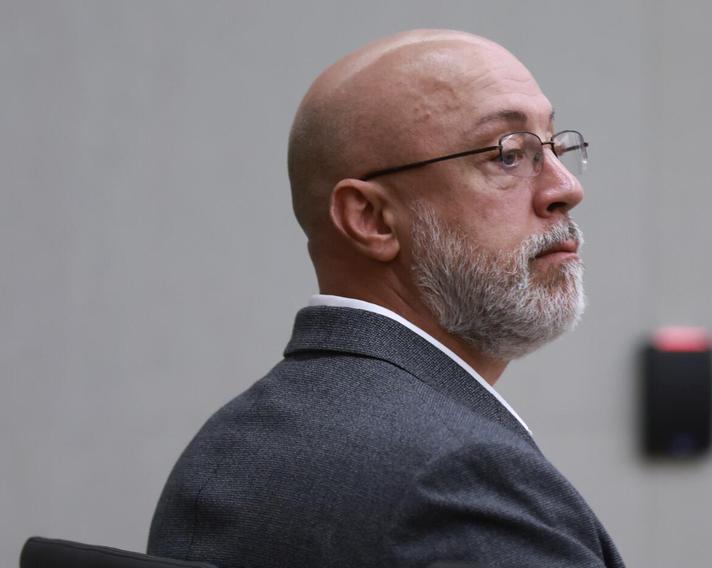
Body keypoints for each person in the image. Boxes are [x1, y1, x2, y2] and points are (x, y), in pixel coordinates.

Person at [147, 29, 624, 568]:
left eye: (556, 146)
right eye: (509, 155)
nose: (566, 188)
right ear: (370, 219)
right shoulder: (461, 479)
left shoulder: (225, 448)